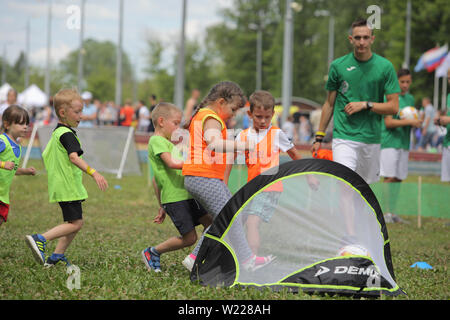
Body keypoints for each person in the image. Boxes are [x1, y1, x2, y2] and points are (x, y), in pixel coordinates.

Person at [181, 81, 271, 272]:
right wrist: (245, 145)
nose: (234, 114)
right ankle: (247, 261)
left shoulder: (204, 115)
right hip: (202, 176)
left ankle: (195, 257)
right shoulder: (211, 117)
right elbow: (214, 144)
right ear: (221, 102)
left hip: (202, 176)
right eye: (233, 109)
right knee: (230, 217)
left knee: (226, 217)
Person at [25, 88, 108, 267]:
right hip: (67, 186)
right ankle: (40, 239)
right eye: (77, 112)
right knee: (76, 224)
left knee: (74, 222)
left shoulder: (57, 133)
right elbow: (73, 157)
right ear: (63, 112)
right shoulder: (67, 134)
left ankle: (56, 256)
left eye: (82, 111)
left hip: (63, 185)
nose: (81, 116)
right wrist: (94, 173)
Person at [311, 18, 400, 185]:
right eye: (357, 38)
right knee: (345, 184)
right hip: (344, 136)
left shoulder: (385, 67)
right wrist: (319, 137)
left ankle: (358, 213)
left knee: (363, 190)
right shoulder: (338, 66)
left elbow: (394, 107)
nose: (362, 42)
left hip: (371, 137)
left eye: (366, 37)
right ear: (351, 39)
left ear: (372, 39)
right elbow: (329, 104)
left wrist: (366, 105)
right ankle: (346, 213)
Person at [141, 103, 213, 272]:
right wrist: (195, 163)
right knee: (189, 238)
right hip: (176, 198)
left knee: (212, 222)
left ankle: (203, 258)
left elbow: (155, 180)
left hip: (188, 194)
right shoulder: (156, 140)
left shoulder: (168, 143)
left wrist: (160, 206)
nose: (178, 128)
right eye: (175, 123)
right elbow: (172, 164)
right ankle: (153, 252)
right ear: (161, 121)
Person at [235, 90, 302, 258]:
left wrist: (310, 176)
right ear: (250, 114)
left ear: (273, 114)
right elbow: (230, 158)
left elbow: (295, 154)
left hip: (270, 187)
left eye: (267, 117)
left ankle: (253, 259)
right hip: (251, 188)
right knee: (237, 222)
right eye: (258, 117)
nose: (263, 121)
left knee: (252, 222)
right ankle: (235, 255)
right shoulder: (243, 135)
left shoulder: (276, 134)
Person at [380, 69, 422, 220]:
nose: (405, 85)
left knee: (398, 178)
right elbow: (389, 122)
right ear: (396, 81)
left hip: (404, 142)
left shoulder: (410, 99)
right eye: (402, 82)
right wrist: (410, 121)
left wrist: (416, 122)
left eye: (408, 82)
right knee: (389, 177)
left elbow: (410, 118)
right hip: (390, 142)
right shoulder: (389, 96)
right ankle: (385, 213)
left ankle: (393, 212)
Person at [0, 105, 36, 226]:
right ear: (7, 125)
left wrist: (26, 171)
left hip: (3, 194)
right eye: (21, 123)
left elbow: (13, 169)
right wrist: (3, 164)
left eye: (26, 123)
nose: (25, 126)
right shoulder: (2, 141)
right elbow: (6, 166)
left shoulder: (18, 146)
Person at [435, 68, 450, 182]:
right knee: (446, 183)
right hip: (447, 143)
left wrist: (448, 119)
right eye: (449, 78)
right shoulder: (449, 96)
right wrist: (441, 122)